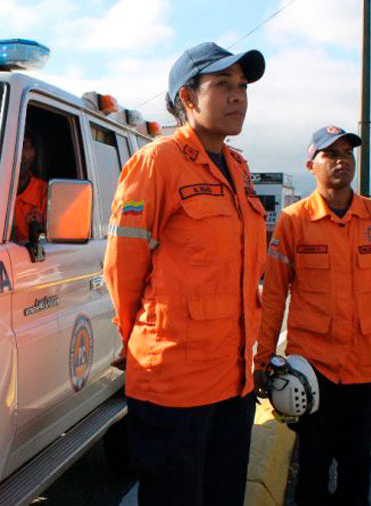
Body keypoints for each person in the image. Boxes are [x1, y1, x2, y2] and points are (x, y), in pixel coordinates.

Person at [103, 42, 267, 506]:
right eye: (223, 85)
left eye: (242, 87)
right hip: (174, 383)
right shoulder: (157, 163)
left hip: (233, 380)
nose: (238, 96)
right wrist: (136, 341)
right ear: (187, 98)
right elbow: (122, 268)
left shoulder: (238, 168)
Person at [255, 125, 371, 506]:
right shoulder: (293, 221)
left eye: (347, 153)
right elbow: (273, 297)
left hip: (363, 372)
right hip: (312, 375)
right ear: (311, 165)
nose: (342, 161)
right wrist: (263, 360)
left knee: (357, 475)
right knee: (311, 474)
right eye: (331, 154)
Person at [12, 131, 47, 242]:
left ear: (33, 153)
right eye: (10, 145)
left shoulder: (46, 194)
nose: (17, 153)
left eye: (23, 145)